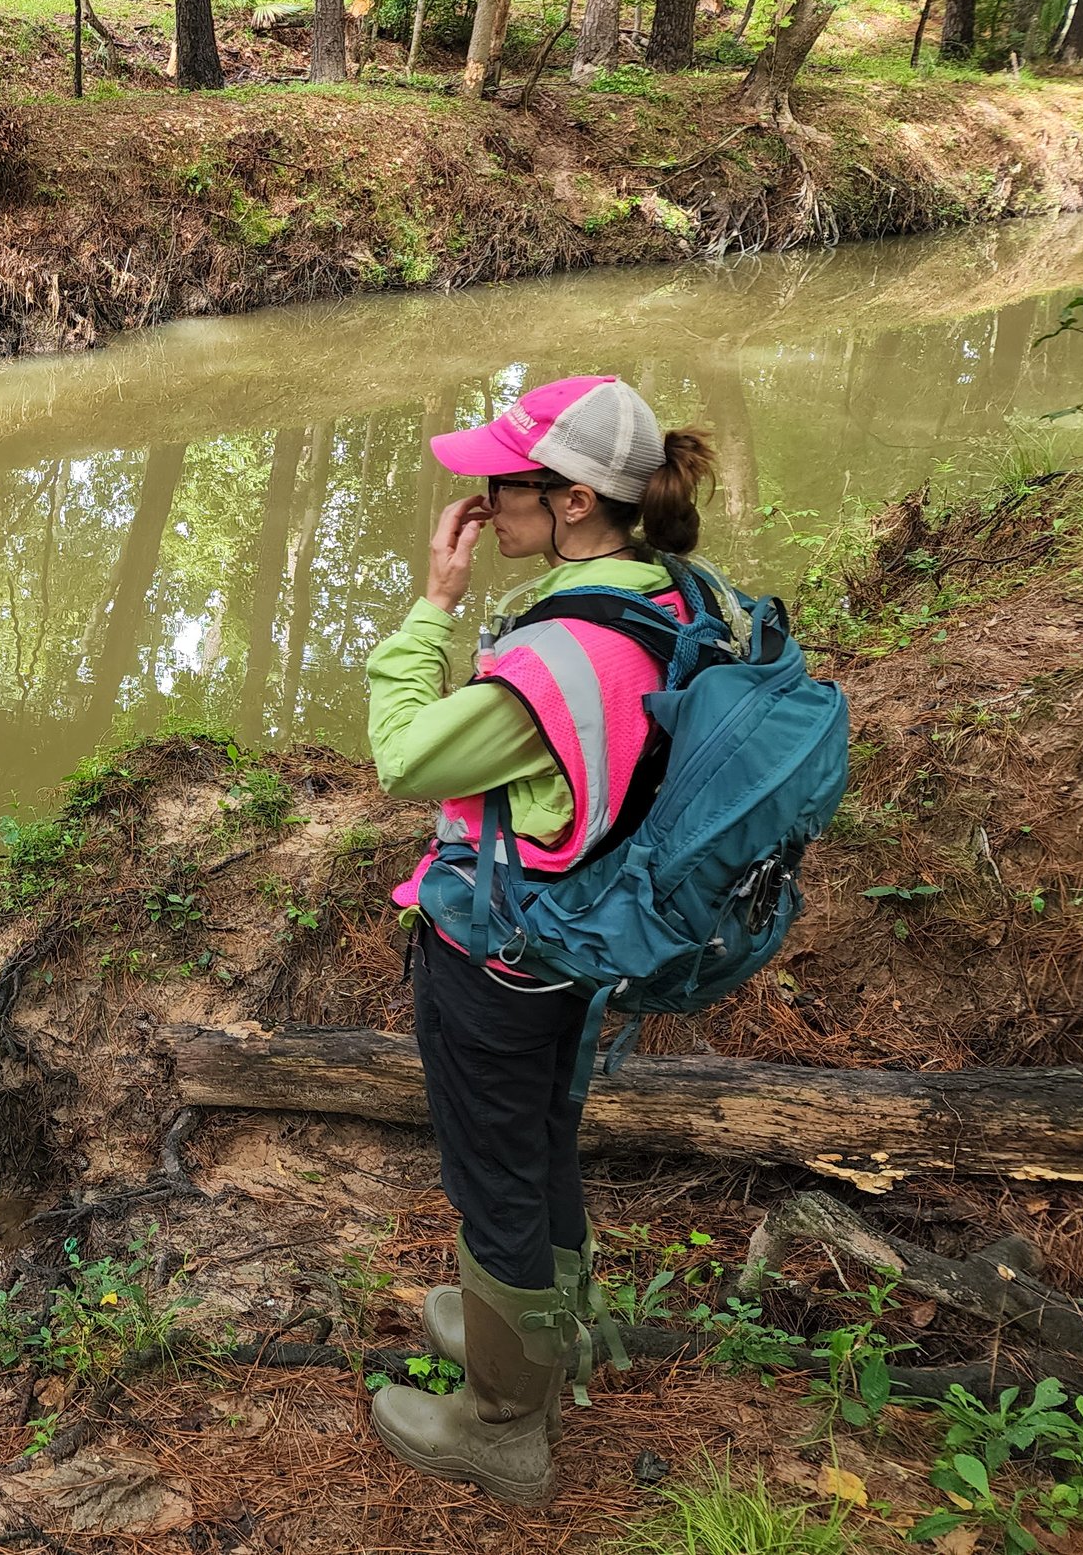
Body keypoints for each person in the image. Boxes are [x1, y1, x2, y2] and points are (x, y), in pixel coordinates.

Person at [365, 375, 723, 1504]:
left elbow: (404, 753)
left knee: (495, 1182)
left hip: (502, 961)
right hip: (582, 938)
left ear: (571, 501)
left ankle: (503, 1426)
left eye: (501, 481)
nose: (482, 498)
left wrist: (433, 605)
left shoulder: (559, 658)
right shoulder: (667, 598)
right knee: (539, 1147)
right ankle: (534, 1330)